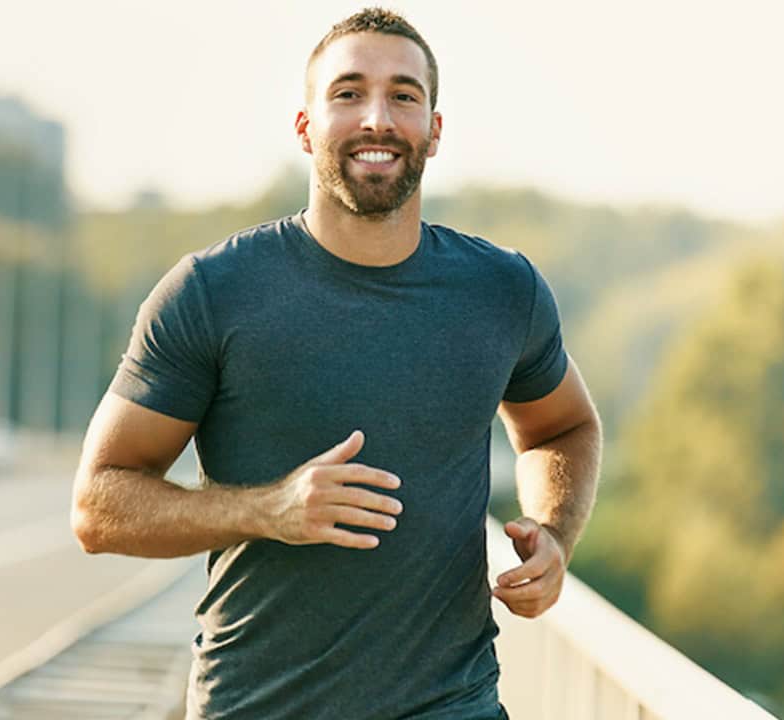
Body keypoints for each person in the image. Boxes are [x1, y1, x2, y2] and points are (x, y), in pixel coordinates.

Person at [71, 7, 601, 719]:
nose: (377, 118)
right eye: (348, 93)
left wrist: (555, 537)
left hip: (454, 706)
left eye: (404, 96)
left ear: (434, 132)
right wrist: (271, 509)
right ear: (306, 127)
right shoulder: (212, 293)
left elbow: (562, 428)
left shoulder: (502, 291)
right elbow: (98, 505)